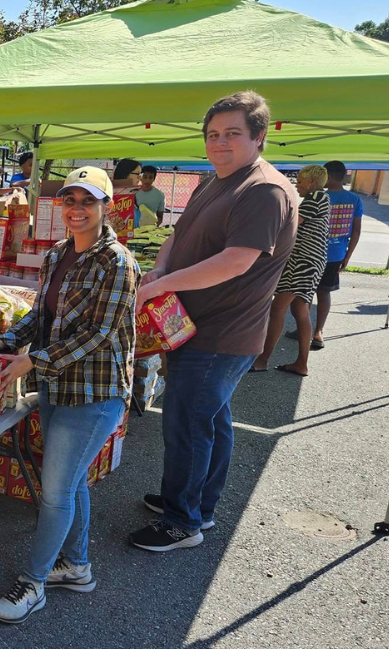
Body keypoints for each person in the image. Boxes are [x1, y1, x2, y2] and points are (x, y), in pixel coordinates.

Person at [0, 166, 138, 624]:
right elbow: (40, 314)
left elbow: (100, 334)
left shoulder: (118, 262)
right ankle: (76, 566)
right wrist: (4, 341)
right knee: (71, 481)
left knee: (56, 491)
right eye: (70, 201)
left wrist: (34, 362)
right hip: (60, 385)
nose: (77, 209)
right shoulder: (58, 253)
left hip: (96, 391)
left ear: (107, 206)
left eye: (87, 201)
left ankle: (34, 582)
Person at [130, 91, 298, 552]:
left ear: (259, 137)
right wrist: (162, 269)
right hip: (193, 325)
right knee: (211, 419)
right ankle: (195, 504)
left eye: (232, 134)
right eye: (212, 134)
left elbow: (237, 261)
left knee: (187, 422)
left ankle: (182, 522)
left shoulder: (263, 189)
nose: (219, 143)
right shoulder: (216, 180)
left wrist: (163, 286)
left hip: (220, 333)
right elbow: (177, 234)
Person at [251, 164, 330, 376]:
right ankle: (301, 363)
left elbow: (292, 224)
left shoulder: (317, 198)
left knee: (278, 308)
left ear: (312, 183)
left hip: (303, 261)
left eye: (301, 181)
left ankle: (262, 359)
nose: (297, 185)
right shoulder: (319, 198)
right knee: (299, 310)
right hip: (310, 261)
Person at [286, 160, 363, 350]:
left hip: (310, 254)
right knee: (324, 292)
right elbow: (356, 231)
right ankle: (318, 331)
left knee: (305, 293)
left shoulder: (316, 196)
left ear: (325, 176)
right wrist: (348, 255)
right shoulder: (354, 199)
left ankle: (304, 327)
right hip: (336, 253)